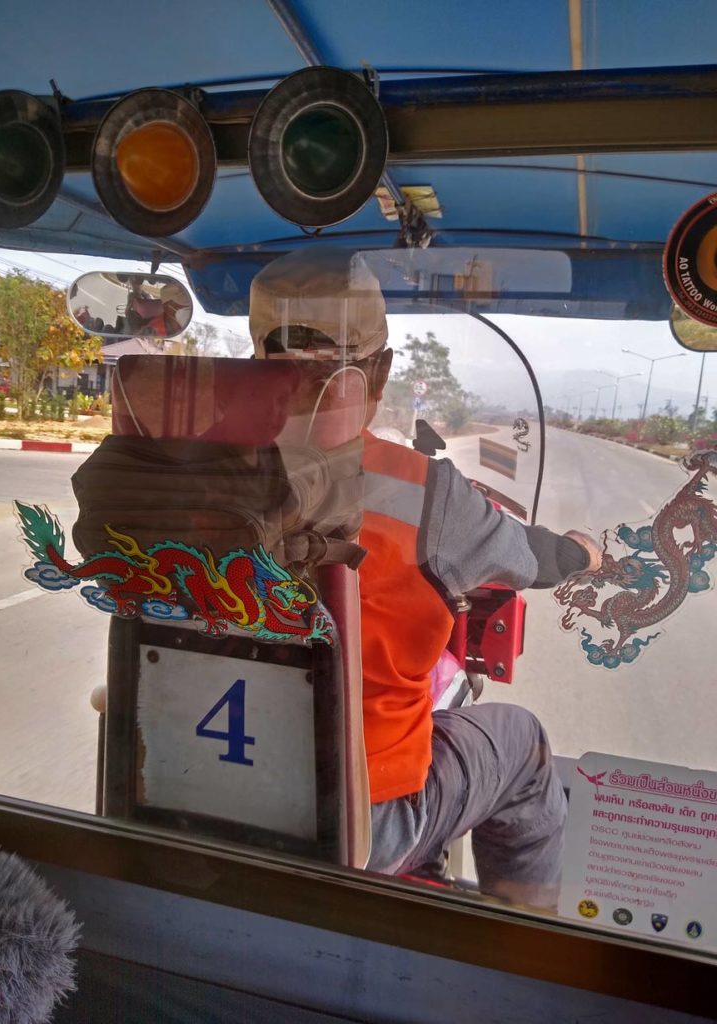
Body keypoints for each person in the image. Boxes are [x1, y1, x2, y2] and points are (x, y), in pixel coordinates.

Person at [249, 248, 602, 910]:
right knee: (523, 745)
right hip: (361, 822)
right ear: (378, 372)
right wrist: (580, 553)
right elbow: (527, 556)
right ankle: (526, 941)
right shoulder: (424, 493)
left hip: (208, 787)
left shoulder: (194, 471)